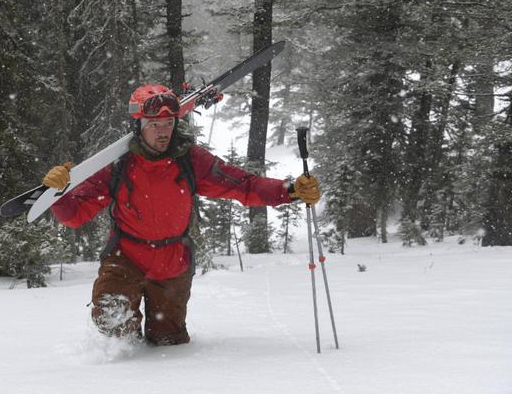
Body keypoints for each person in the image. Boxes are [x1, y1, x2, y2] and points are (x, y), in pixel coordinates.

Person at [42, 83, 320, 346]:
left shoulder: (191, 160)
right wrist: (57, 194)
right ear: (138, 127)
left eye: (168, 123)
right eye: (153, 125)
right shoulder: (117, 166)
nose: (162, 132)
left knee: (168, 342)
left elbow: (244, 185)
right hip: (125, 258)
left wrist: (291, 190)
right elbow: (74, 215)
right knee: (113, 329)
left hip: (172, 263)